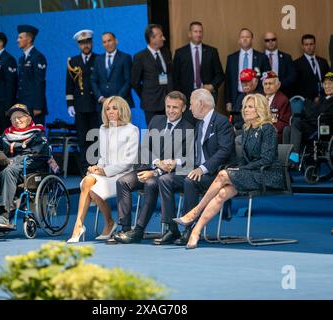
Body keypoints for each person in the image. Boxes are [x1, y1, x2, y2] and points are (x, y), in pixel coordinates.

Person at [174, 93, 284, 249]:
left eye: (250, 106)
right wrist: (240, 168)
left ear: (260, 109)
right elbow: (245, 159)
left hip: (267, 175)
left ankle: (194, 212)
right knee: (222, 194)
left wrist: (240, 169)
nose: (245, 110)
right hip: (251, 173)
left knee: (222, 174)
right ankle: (195, 232)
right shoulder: (247, 129)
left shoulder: (268, 129)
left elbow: (266, 160)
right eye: (245, 106)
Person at [113, 91, 194, 244]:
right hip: (149, 167)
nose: (170, 111)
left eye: (175, 107)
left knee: (151, 183)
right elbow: (143, 148)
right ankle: (124, 228)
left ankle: (138, 231)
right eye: (168, 106)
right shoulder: (156, 120)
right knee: (122, 181)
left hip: (167, 175)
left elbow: (186, 160)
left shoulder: (188, 128)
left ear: (183, 108)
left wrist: (157, 171)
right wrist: (156, 162)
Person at [157, 88, 235, 246]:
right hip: (196, 169)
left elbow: (225, 151)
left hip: (215, 173)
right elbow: (194, 154)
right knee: (165, 180)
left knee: (190, 181)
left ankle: (188, 228)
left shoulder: (221, 122)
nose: (190, 108)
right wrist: (176, 162)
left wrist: (203, 168)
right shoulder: (199, 124)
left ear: (200, 104)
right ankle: (171, 228)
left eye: (191, 104)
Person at [67, 96, 139, 243]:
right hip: (106, 173)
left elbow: (129, 161)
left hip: (123, 175)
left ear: (122, 109)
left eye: (114, 108)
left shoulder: (132, 130)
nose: (110, 111)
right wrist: (97, 168)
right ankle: (79, 225)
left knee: (93, 189)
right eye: (107, 109)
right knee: (87, 180)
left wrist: (104, 172)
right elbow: (103, 157)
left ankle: (109, 222)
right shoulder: (103, 129)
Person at [0, 104, 49, 231]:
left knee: (9, 170)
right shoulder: (6, 135)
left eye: (20, 117)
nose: (17, 121)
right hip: (6, 172)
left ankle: (4, 214)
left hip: (26, 174)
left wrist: (11, 162)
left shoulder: (38, 135)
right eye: (13, 118)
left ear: (28, 118)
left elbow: (37, 156)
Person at [173, 21, 224, 125]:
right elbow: (175, 77)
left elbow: (220, 74)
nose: (198, 34)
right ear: (189, 34)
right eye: (195, 31)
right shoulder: (180, 53)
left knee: (207, 125)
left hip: (207, 95)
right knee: (189, 127)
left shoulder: (211, 51)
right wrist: (179, 97)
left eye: (200, 31)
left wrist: (212, 86)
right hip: (187, 97)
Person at [66, 29, 100, 175]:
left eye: (87, 42)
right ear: (78, 45)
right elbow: (69, 84)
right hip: (80, 105)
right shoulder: (73, 61)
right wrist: (70, 104)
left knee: (96, 137)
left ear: (91, 43)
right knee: (82, 138)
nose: (85, 45)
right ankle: (85, 169)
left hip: (95, 105)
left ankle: (96, 167)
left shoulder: (99, 59)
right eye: (82, 43)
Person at [284, 72, 333, 164]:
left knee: (297, 124)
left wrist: (310, 110)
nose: (326, 86)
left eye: (330, 83)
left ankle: (294, 159)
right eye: (325, 84)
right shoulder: (322, 99)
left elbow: (323, 116)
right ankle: (285, 158)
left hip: (322, 128)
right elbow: (313, 113)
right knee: (287, 129)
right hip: (311, 124)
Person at [131, 24, 173, 125]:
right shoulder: (140, 57)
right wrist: (146, 95)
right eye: (160, 36)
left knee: (169, 134)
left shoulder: (167, 52)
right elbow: (134, 82)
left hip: (169, 102)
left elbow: (170, 74)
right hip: (151, 104)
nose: (164, 38)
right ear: (152, 38)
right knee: (155, 136)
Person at [225, 28, 270, 114]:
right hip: (237, 96)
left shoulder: (262, 57)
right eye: (242, 37)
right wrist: (228, 101)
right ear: (239, 40)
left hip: (256, 96)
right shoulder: (231, 58)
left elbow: (266, 79)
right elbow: (228, 81)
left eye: (247, 37)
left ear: (252, 39)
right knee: (237, 124)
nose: (245, 39)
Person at [91, 32, 134, 110]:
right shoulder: (98, 59)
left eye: (109, 40)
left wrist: (117, 99)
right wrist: (100, 98)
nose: (107, 44)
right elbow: (93, 80)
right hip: (103, 105)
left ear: (116, 41)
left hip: (121, 104)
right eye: (104, 42)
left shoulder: (125, 57)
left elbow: (129, 81)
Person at [0, 32, 18, 136]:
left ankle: (5, 153)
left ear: (0, 43)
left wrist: (9, 107)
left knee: (4, 134)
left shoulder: (8, 59)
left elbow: (11, 85)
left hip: (3, 106)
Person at [17, 25, 47, 125]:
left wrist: (38, 106)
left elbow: (39, 82)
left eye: (20, 37)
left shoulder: (37, 57)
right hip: (23, 105)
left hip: (34, 106)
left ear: (29, 39)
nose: (18, 40)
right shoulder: (22, 59)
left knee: (35, 135)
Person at [294, 34, 330, 101]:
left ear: (314, 45)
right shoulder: (296, 64)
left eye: (311, 44)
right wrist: (311, 98)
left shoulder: (323, 61)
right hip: (308, 101)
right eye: (306, 45)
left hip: (325, 99)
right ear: (302, 46)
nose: (309, 47)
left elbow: (329, 78)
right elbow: (297, 86)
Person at [263, 31, 296, 98]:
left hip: (283, 92)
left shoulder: (286, 57)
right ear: (264, 42)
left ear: (276, 40)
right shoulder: (260, 57)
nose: (270, 42)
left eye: (273, 39)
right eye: (267, 40)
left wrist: (277, 85)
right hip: (264, 94)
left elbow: (292, 76)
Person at [262, 71, 291, 142]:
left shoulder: (282, 100)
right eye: (265, 84)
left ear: (278, 85)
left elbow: (284, 123)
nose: (267, 86)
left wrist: (267, 131)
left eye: (270, 84)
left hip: (273, 134)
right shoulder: (260, 98)